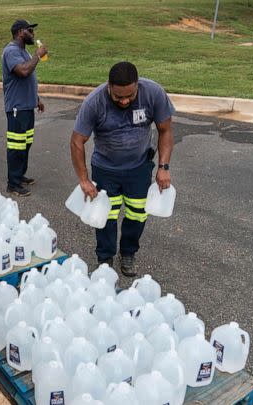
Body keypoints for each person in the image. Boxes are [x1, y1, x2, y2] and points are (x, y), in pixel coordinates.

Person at [70, 61, 175, 277]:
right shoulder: (94, 102)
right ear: (109, 86)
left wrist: (164, 167)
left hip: (139, 168)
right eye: (118, 97)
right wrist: (84, 180)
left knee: (137, 214)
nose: (125, 100)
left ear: (137, 85)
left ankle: (128, 253)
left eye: (130, 95)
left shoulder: (153, 93)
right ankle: (105, 257)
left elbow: (165, 130)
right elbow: (77, 141)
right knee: (106, 215)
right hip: (105, 169)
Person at [1, 19, 48, 197]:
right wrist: (38, 55)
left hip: (27, 106)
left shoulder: (23, 52)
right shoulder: (11, 51)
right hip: (16, 107)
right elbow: (22, 72)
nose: (33, 34)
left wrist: (37, 99)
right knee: (16, 146)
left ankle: (19, 175)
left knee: (26, 144)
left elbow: (28, 79)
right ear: (21, 32)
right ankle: (13, 184)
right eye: (30, 30)